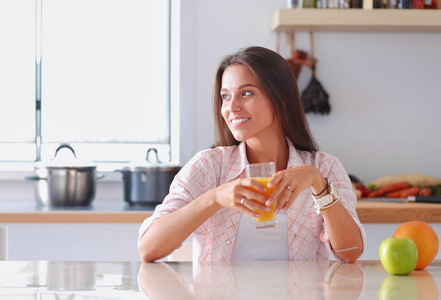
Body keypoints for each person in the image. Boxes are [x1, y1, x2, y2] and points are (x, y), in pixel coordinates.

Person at [138, 46, 366, 262]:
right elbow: (148, 249)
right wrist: (215, 198)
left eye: (246, 93)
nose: (232, 107)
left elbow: (350, 253)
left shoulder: (324, 168)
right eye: (226, 96)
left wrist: (319, 185)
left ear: (281, 99)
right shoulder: (208, 166)